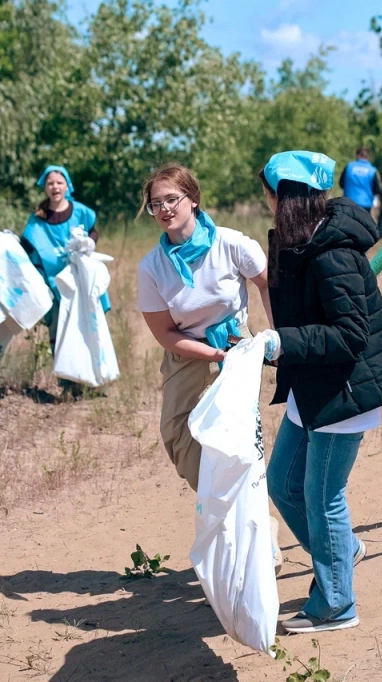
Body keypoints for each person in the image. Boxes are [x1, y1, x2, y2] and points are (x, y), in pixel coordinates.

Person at [258, 151, 382, 634]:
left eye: (269, 191)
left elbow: (349, 336)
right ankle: (343, 552)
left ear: (286, 196)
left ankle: (337, 603)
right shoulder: (302, 242)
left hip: (342, 393)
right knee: (281, 483)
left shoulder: (332, 251)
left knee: (324, 499)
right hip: (312, 388)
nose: (265, 200)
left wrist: (284, 341)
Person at [135, 162, 282, 573]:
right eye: (155, 204)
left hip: (237, 344)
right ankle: (242, 510)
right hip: (188, 352)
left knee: (234, 443)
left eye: (171, 199)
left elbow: (266, 282)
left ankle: (258, 530)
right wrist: (213, 356)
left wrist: (274, 336)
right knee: (178, 436)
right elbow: (165, 333)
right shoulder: (152, 267)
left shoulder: (231, 244)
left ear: (193, 200)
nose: (164, 209)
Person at [21, 164, 109, 399]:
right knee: (59, 332)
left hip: (80, 280)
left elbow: (93, 231)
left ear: (67, 185)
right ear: (45, 187)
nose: (55, 187)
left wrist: (90, 242)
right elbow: (27, 246)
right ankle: (69, 384)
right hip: (53, 282)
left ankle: (92, 377)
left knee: (86, 327)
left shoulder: (80, 212)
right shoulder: (38, 218)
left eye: (59, 182)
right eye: (50, 183)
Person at [338, 146, 381, 215]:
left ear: (357, 155)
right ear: (368, 156)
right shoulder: (372, 170)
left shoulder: (349, 167)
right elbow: (376, 190)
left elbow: (341, 184)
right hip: (365, 204)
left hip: (348, 202)